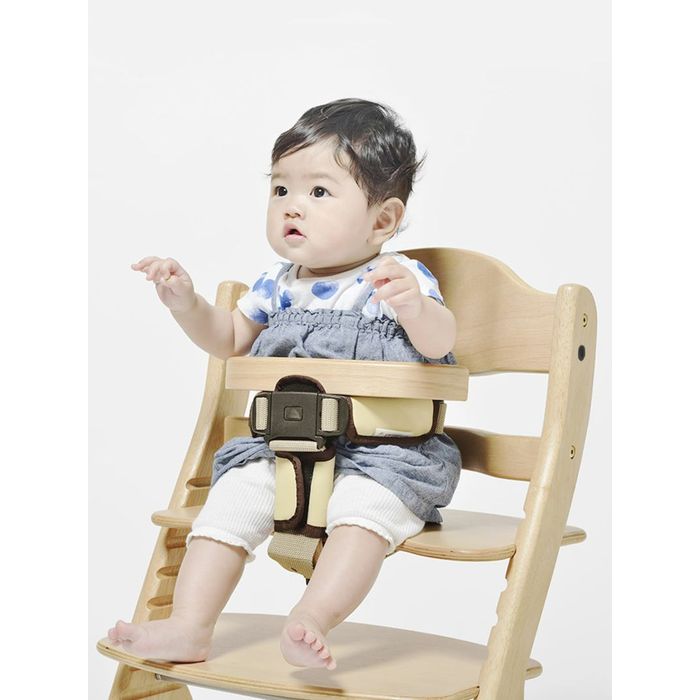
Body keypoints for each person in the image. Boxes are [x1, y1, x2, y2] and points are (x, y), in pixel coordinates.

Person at [108, 98, 462, 671]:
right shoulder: (276, 285)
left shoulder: (395, 280)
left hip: (386, 456)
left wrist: (416, 309)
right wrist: (186, 303)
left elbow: (438, 343)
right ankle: (189, 626)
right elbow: (228, 338)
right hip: (281, 449)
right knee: (226, 505)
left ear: (382, 221)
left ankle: (312, 618)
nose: (292, 205)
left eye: (318, 191)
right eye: (280, 189)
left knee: (364, 515)